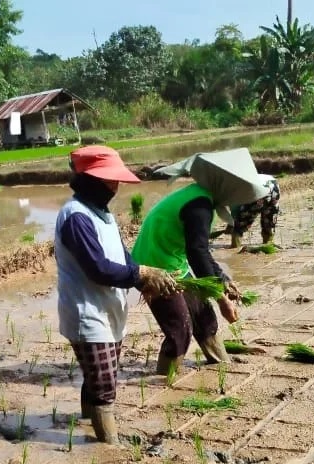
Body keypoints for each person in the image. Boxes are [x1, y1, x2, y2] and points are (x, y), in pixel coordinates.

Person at [55, 146, 178, 444]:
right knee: (105, 384)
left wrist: (142, 280)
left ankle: (88, 424)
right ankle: (107, 445)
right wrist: (142, 274)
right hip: (87, 313)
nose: (116, 186)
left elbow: (121, 258)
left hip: (108, 309)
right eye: (109, 180)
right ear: (90, 180)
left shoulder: (102, 215)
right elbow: (97, 268)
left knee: (96, 376)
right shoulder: (76, 217)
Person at [132, 148, 268, 376]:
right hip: (154, 268)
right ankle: (165, 379)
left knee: (204, 318)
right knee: (179, 330)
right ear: (226, 184)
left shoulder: (201, 197)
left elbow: (201, 253)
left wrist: (223, 280)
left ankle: (220, 362)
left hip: (174, 263)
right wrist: (222, 298)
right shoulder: (199, 206)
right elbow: (198, 254)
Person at [225, 174, 281, 248]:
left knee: (241, 223)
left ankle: (235, 247)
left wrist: (232, 225)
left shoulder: (230, 189)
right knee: (269, 219)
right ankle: (268, 244)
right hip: (273, 184)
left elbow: (236, 211)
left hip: (256, 189)